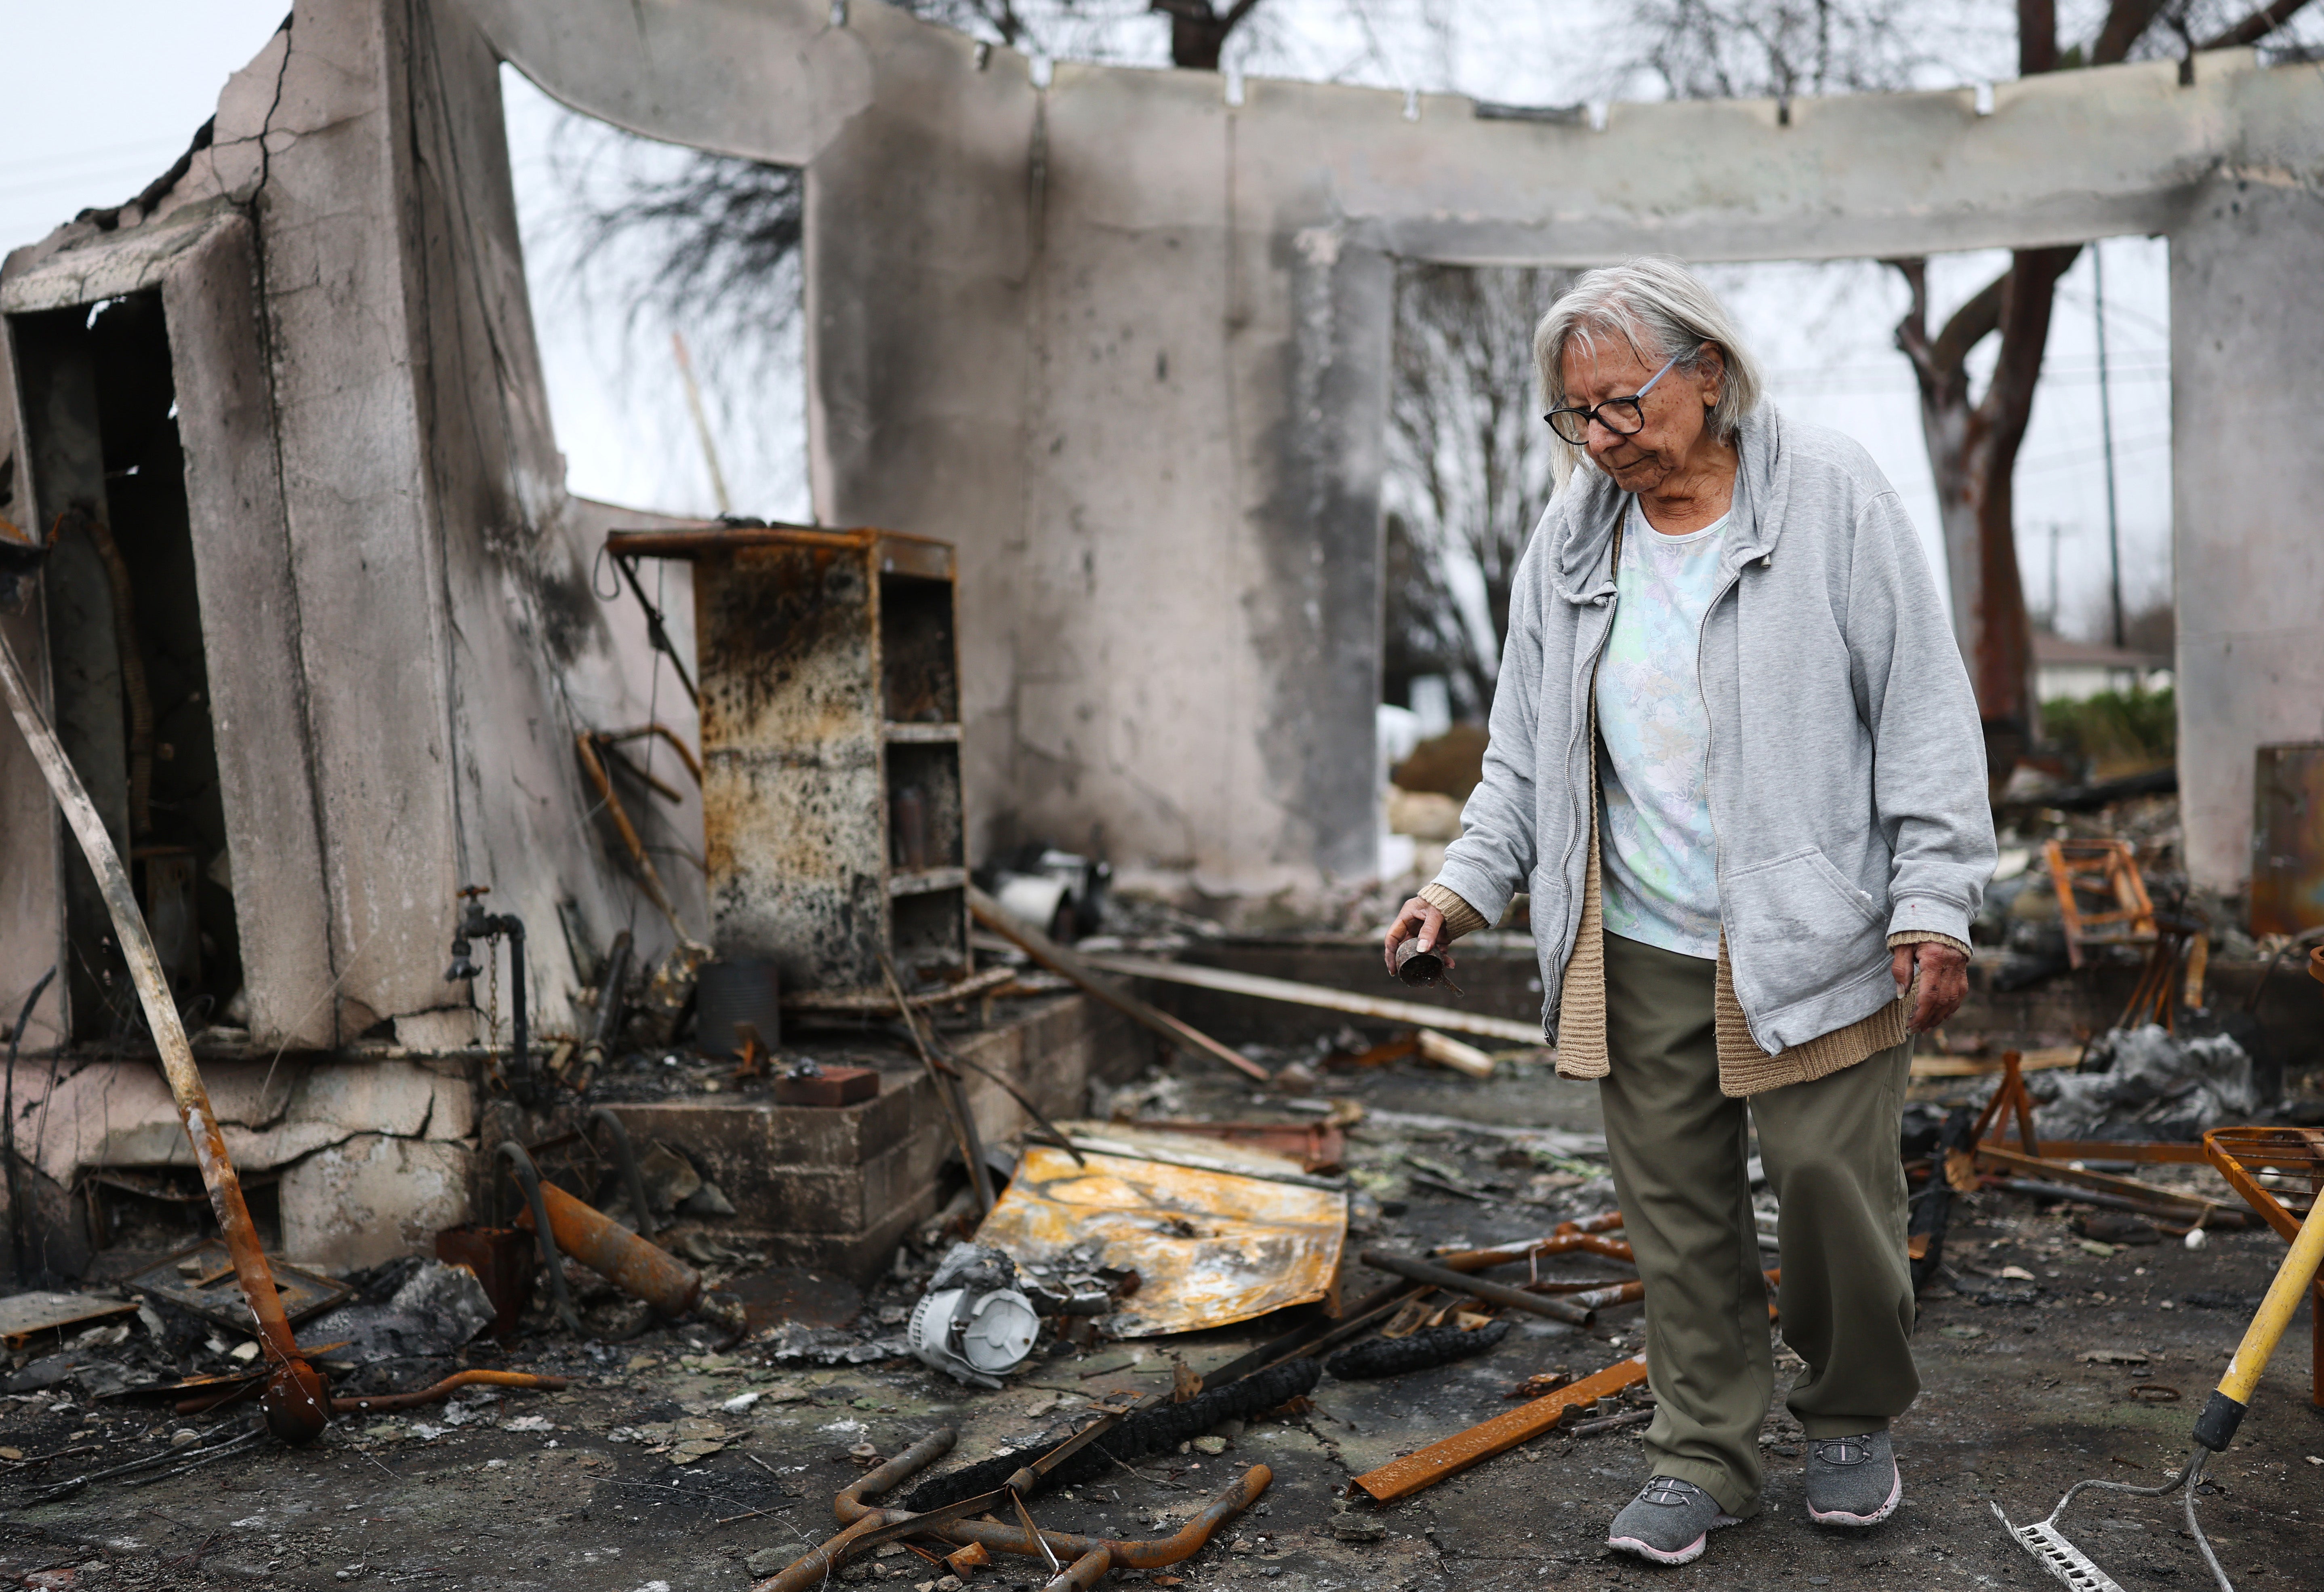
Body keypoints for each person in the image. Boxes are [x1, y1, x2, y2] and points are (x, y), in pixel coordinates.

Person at [1382, 257, 1994, 1569]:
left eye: (1622, 403)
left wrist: (1934, 899)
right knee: (1676, 1212)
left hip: (1813, 926)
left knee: (1834, 1186)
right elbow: (1524, 757)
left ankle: (1847, 1413)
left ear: (1705, 372)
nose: (1602, 438)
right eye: (1577, 415)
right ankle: (1703, 1449)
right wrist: (1460, 887)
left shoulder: (1827, 493)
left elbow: (1923, 710)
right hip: (1638, 932)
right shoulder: (1570, 541)